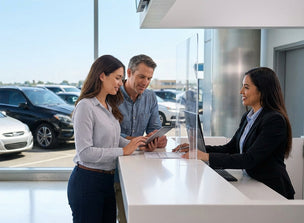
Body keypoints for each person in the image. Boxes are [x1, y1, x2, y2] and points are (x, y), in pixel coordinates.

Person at [173, 67, 295, 199]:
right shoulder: (248, 116)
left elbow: (250, 159)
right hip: (252, 183)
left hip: (272, 191)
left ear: (262, 90)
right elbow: (231, 148)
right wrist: (198, 149)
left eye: (246, 87)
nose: (241, 91)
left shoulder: (274, 120)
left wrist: (205, 156)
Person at [67, 55, 149, 223]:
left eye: (121, 78)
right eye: (117, 78)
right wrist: (123, 151)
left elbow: (113, 138)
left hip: (107, 181)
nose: (120, 83)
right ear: (102, 75)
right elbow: (85, 153)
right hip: (87, 183)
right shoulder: (85, 106)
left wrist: (137, 145)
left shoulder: (108, 105)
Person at [115, 54, 168, 223]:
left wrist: (156, 139)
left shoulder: (150, 97)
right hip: (114, 166)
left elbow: (154, 128)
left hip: (140, 169)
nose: (145, 82)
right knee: (121, 214)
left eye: (149, 78)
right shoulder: (112, 95)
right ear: (129, 72)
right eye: (141, 77)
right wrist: (137, 140)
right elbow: (109, 134)